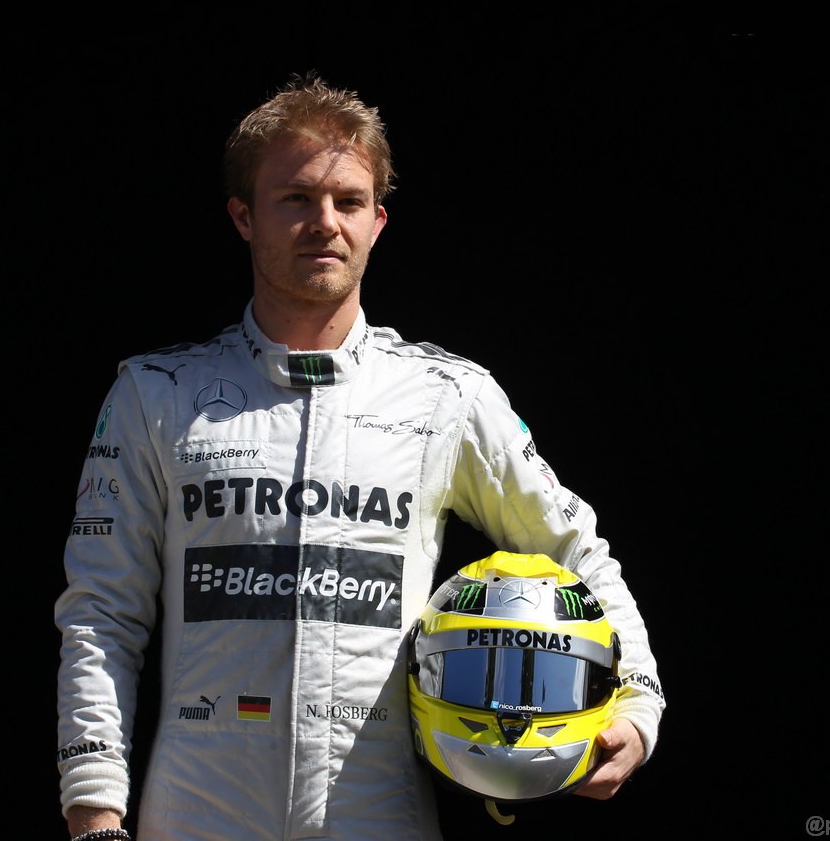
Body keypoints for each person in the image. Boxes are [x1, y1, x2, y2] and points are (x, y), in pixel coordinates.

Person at [55, 71, 665, 841]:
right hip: (196, 811)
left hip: (377, 811)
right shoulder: (155, 393)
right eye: (296, 199)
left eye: (347, 202)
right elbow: (102, 614)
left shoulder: (449, 394)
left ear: (378, 220)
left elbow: (576, 547)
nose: (324, 223)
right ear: (243, 216)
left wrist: (638, 704)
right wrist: (93, 808)